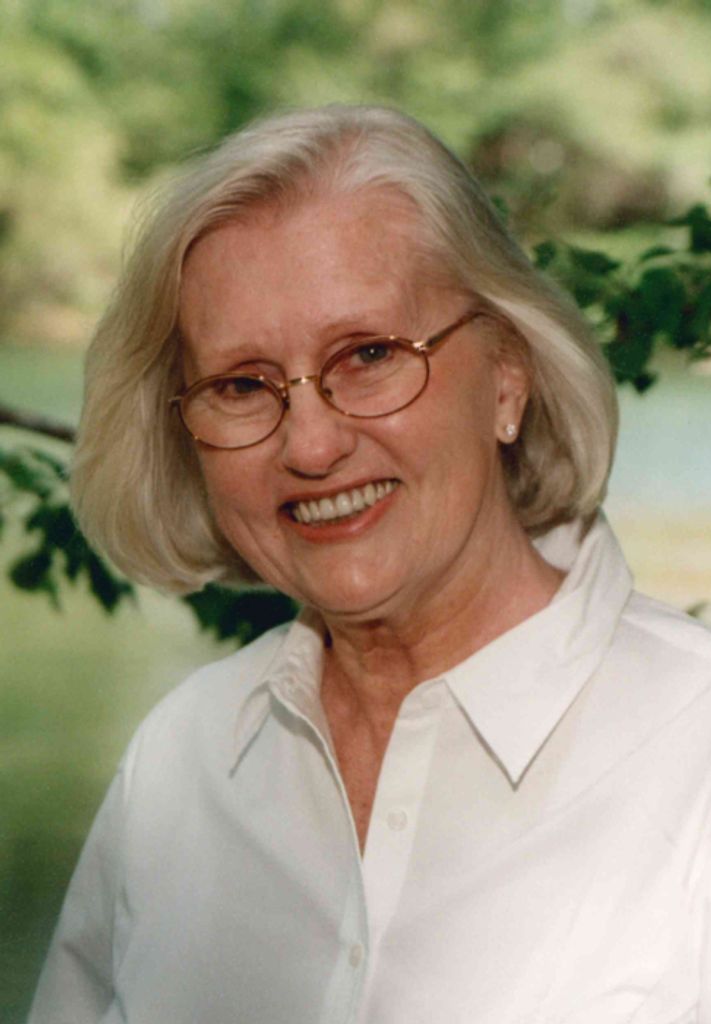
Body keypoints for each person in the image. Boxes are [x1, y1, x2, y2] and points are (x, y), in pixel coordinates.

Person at [29, 104, 711, 1024]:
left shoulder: (689, 751)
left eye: (369, 355)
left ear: (507, 376)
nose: (311, 446)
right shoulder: (181, 762)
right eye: (241, 385)